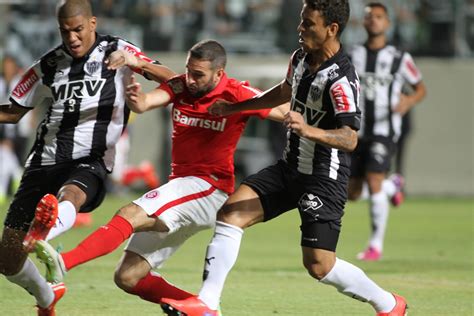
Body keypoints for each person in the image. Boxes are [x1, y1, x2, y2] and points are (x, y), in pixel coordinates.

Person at [159, 1, 409, 316]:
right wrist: (234, 108)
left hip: (323, 177)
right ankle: (208, 304)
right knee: (230, 213)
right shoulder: (300, 58)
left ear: (331, 29)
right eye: (301, 22)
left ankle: (389, 304)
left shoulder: (342, 78)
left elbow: (349, 138)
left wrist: (309, 130)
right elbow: (283, 92)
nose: (300, 29)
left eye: (308, 24)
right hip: (289, 167)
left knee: (319, 265)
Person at [32, 39, 289, 311]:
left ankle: (63, 263)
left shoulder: (237, 93)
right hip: (183, 188)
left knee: (130, 213)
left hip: (209, 188)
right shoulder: (181, 85)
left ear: (219, 74)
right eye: (189, 70)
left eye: (199, 74)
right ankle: (200, 309)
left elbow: (283, 111)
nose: (190, 79)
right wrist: (137, 98)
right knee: (129, 276)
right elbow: (148, 102)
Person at [0, 0, 175, 315]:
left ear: (92, 23)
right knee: (7, 260)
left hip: (91, 157)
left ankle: (46, 230)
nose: (72, 38)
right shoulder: (47, 66)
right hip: (44, 161)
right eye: (65, 32)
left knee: (73, 194)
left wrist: (135, 61)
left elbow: (171, 79)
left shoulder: (117, 50)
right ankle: (46, 297)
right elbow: (13, 113)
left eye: (78, 29)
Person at [347, 2, 426, 261]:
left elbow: (420, 88)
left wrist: (408, 101)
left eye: (379, 17)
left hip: (385, 130)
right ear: (364, 22)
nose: (374, 21)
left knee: (373, 180)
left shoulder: (400, 58)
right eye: (369, 17)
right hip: (357, 132)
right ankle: (392, 187)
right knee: (353, 193)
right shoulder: (352, 54)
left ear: (387, 23)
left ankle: (375, 246)